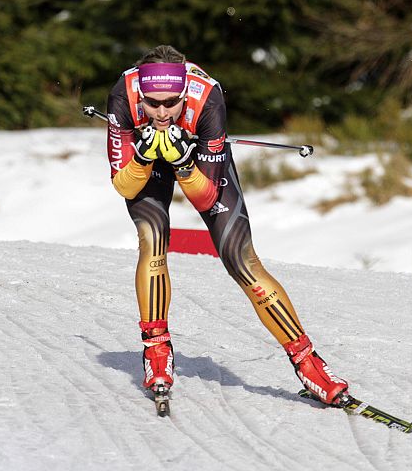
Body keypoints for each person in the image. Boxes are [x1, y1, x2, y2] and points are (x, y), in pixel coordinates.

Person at [105, 44, 349, 405]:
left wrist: (186, 164)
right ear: (140, 94)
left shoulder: (208, 100)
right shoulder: (123, 98)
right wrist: (143, 156)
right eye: (152, 103)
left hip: (197, 160)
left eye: (170, 103)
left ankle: (308, 362)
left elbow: (205, 197)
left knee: (242, 259)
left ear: (183, 95)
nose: (160, 112)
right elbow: (123, 185)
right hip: (148, 163)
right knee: (151, 238)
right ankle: (156, 350)